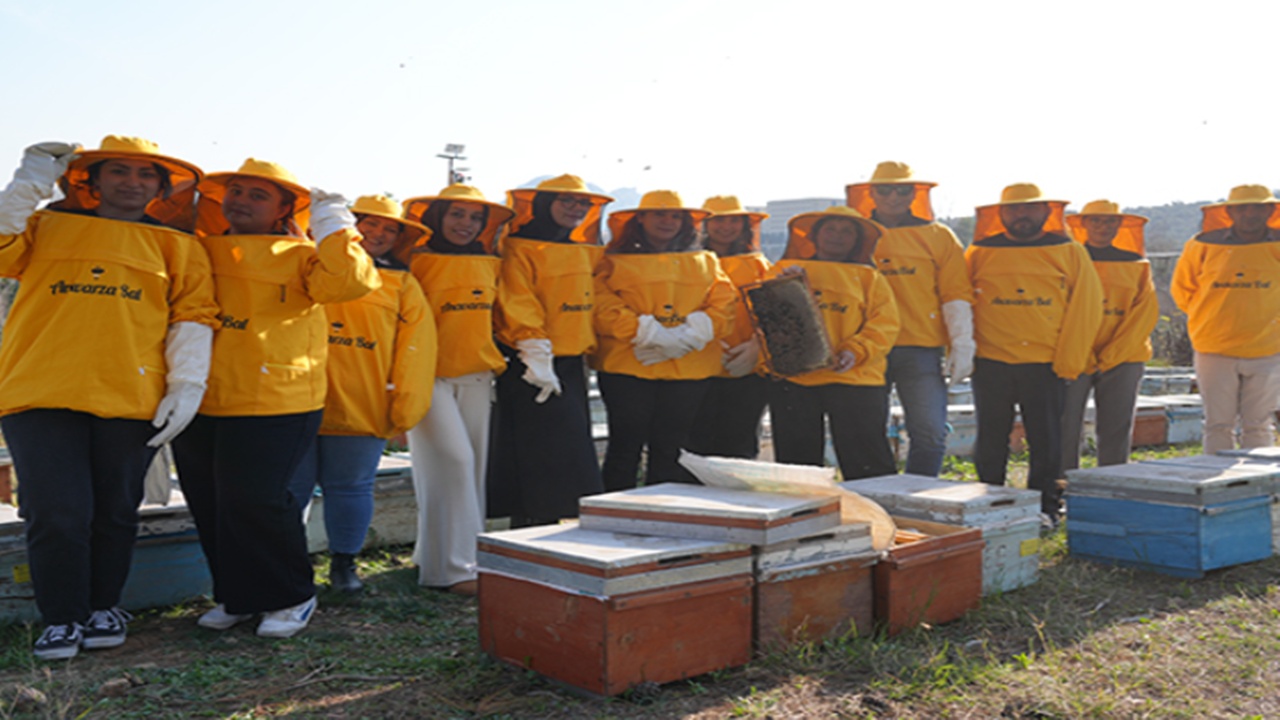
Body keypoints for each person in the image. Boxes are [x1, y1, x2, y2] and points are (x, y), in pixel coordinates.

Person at [0, 136, 218, 659]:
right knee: (57, 511)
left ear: (162, 189)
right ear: (90, 182)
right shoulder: (46, 225)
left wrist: (186, 384)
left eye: (146, 176)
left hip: (130, 394)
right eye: (117, 171)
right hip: (40, 389)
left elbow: (193, 316)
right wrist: (30, 176)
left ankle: (103, 606)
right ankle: (62, 618)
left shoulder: (178, 245)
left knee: (116, 510)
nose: (131, 182)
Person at [175, 159, 379, 638]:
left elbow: (350, 282)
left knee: (260, 502)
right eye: (237, 191)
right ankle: (236, 596)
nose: (241, 201)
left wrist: (333, 220)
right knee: (211, 502)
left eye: (258, 195)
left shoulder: (304, 254)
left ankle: (292, 595)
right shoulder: (202, 250)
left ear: (287, 208)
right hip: (203, 394)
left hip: (276, 396)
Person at [288, 195, 436, 592]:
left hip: (362, 400)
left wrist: (404, 407)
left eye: (390, 230)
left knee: (350, 486)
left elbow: (414, 350)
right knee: (291, 488)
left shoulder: (404, 283)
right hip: (294, 395)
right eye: (370, 224)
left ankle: (344, 565)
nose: (380, 234)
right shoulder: (308, 264)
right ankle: (286, 565)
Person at [965, 184, 1102, 522]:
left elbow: (1085, 307)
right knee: (990, 438)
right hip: (990, 361)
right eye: (1013, 210)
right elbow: (960, 301)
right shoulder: (979, 253)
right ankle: (989, 502)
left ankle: (1046, 507)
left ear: (1046, 212)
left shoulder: (1069, 252)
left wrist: (1068, 360)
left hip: (1044, 363)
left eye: (1029, 209)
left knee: (1047, 441)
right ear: (1000, 214)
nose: (1021, 215)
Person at [402, 184, 513, 594]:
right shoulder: (413, 261)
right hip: (426, 377)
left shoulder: (490, 262)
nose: (466, 224)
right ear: (435, 217)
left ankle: (444, 555)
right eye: (456, 215)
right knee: (454, 463)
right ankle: (453, 570)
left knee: (472, 470)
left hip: (478, 375)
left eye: (475, 217)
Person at [489, 175, 612, 527]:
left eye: (582, 204)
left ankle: (555, 526)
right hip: (531, 362)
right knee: (532, 449)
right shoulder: (518, 247)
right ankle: (529, 527)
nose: (576, 209)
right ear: (544, 204)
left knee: (568, 450)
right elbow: (516, 298)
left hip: (571, 362)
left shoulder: (585, 249)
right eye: (566, 202)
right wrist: (533, 350)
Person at [593, 190, 736, 489]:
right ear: (640, 218)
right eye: (659, 214)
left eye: (675, 216)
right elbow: (601, 302)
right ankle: (616, 518)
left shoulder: (707, 260)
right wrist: (646, 333)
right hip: (627, 369)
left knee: (672, 449)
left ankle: (666, 521)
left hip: (688, 370)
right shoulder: (612, 260)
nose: (668, 221)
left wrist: (688, 336)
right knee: (624, 446)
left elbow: (725, 304)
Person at [846, 162, 974, 476]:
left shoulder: (938, 235)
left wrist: (962, 344)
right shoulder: (854, 235)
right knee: (865, 434)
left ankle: (918, 499)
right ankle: (877, 501)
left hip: (921, 348)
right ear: (871, 193)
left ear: (915, 193)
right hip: (865, 350)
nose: (893, 197)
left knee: (930, 433)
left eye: (902, 190)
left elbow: (955, 293)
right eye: (885, 189)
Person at [762, 206, 901, 480]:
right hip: (797, 379)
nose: (837, 236)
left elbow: (884, 325)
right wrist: (783, 288)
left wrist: (856, 351)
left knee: (868, 463)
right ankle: (801, 519)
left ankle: (878, 517)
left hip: (854, 377)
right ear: (815, 236)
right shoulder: (781, 270)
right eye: (830, 229)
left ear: (857, 240)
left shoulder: (870, 277)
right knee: (796, 468)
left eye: (846, 231)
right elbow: (766, 321)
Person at [1172, 185, 1280, 455]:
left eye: (1257, 207)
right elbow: (1182, 290)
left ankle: (1257, 488)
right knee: (1218, 425)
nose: (1250, 214)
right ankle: (1219, 492)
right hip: (1214, 348)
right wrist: (1211, 316)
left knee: (1258, 424)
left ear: (1270, 210)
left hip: (1268, 350)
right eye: (1243, 207)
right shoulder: (1202, 244)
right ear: (1230, 211)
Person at [1061, 200, 1159, 469]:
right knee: (1065, 425)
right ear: (1083, 224)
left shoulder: (1137, 264)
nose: (1103, 227)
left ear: (1119, 225)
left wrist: (1113, 354)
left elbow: (1144, 313)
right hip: (1074, 356)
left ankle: (1112, 484)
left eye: (1109, 222)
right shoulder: (1069, 260)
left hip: (1124, 357)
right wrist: (1082, 351)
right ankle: (1063, 485)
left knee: (1116, 425)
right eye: (1096, 221)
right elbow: (1059, 308)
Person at [685, 195, 772, 459]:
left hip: (746, 370)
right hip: (697, 367)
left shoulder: (759, 264)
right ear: (704, 225)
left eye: (735, 220)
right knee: (695, 444)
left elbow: (773, 313)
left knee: (740, 445)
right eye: (719, 220)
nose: (727, 227)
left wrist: (758, 345)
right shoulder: (688, 262)